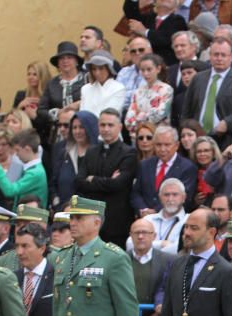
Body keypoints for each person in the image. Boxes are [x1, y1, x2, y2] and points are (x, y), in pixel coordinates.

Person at [75, 109, 139, 248]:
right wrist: (107, 181)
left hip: (116, 223)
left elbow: (118, 184)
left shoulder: (129, 152)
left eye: (110, 125)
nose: (106, 129)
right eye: (102, 125)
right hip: (92, 221)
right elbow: (79, 182)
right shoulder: (91, 151)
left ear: (119, 127)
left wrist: (93, 179)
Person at [182, 37, 232, 143]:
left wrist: (228, 123)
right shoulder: (198, 78)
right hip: (197, 138)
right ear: (210, 56)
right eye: (216, 54)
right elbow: (187, 109)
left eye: (223, 55)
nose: (219, 58)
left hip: (225, 138)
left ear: (231, 57)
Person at [132, 125, 198, 217]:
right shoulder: (145, 165)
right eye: (158, 145)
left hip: (172, 220)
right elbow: (136, 192)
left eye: (167, 145)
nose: (162, 149)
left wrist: (156, 212)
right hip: (145, 220)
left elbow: (184, 197)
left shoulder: (187, 167)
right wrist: (144, 210)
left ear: (176, 145)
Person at [0, 129, 48, 208]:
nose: (16, 154)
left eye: (17, 150)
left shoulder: (35, 173)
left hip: (31, 217)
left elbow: (10, 191)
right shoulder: (31, 169)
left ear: (27, 149)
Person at [124, 0, 189, 65]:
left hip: (166, 66)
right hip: (145, 65)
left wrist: (145, 32)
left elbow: (166, 39)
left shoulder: (178, 20)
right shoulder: (149, 18)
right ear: (155, 2)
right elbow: (131, 13)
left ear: (176, 7)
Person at [125, 54, 175, 136]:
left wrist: (139, 116)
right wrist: (141, 118)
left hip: (159, 135)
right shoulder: (138, 91)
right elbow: (129, 119)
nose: (145, 73)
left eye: (149, 69)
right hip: (139, 136)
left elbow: (159, 113)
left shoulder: (166, 89)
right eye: (143, 70)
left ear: (158, 69)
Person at [38, 41, 85, 125]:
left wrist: (79, 104)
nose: (65, 61)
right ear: (58, 63)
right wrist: (57, 113)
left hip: (82, 127)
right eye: (61, 58)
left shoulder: (86, 79)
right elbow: (41, 111)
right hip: (59, 129)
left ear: (76, 61)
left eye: (69, 57)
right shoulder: (51, 84)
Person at [80, 50, 126, 116]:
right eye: (94, 69)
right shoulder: (85, 89)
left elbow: (112, 114)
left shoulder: (119, 88)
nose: (97, 73)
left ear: (109, 69)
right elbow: (82, 114)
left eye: (101, 68)